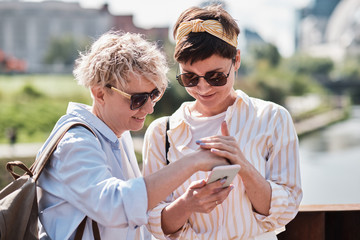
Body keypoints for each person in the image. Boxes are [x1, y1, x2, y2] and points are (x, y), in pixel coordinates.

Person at [36, 31, 230, 240]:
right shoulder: (76, 143)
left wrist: (186, 204)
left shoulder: (117, 133)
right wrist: (193, 162)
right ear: (99, 93)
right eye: (137, 99)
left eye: (154, 94)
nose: (149, 109)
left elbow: (136, 223)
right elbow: (115, 206)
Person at [142, 5, 302, 240]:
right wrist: (187, 204)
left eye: (216, 76)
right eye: (190, 77)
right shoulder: (161, 133)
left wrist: (243, 165)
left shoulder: (272, 118)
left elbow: (286, 209)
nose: (203, 87)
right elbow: (153, 222)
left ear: (236, 60)